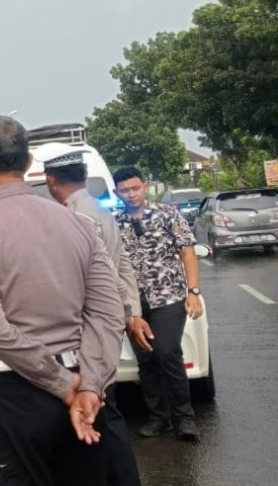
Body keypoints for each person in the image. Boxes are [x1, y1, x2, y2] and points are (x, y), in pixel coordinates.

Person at [0, 116, 125, 485]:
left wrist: (63, 385)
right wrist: (90, 386)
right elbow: (108, 314)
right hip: (80, 383)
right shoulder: (78, 225)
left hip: (7, 391)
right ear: (29, 163)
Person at [44, 149, 144, 486]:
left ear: (51, 181)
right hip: (107, 320)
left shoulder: (76, 218)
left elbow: (102, 276)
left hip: (91, 323)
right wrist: (130, 312)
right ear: (84, 176)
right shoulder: (101, 211)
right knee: (105, 407)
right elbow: (124, 265)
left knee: (100, 410)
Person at [112, 165, 202, 441]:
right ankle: (158, 417)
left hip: (168, 297)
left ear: (145, 187)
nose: (131, 194)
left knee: (167, 351)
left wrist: (193, 291)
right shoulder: (114, 223)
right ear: (117, 192)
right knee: (146, 357)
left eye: (135, 188)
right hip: (134, 303)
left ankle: (184, 419)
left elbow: (187, 252)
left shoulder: (167, 214)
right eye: (125, 190)